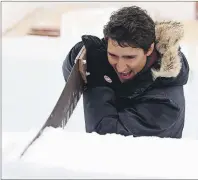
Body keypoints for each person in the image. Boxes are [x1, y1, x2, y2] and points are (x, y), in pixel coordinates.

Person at [62, 6, 189, 138]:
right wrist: (80, 55)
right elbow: (70, 75)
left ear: (149, 49)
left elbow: (104, 136)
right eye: (113, 55)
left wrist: (96, 80)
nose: (121, 67)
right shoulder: (116, 54)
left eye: (130, 57)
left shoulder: (165, 106)